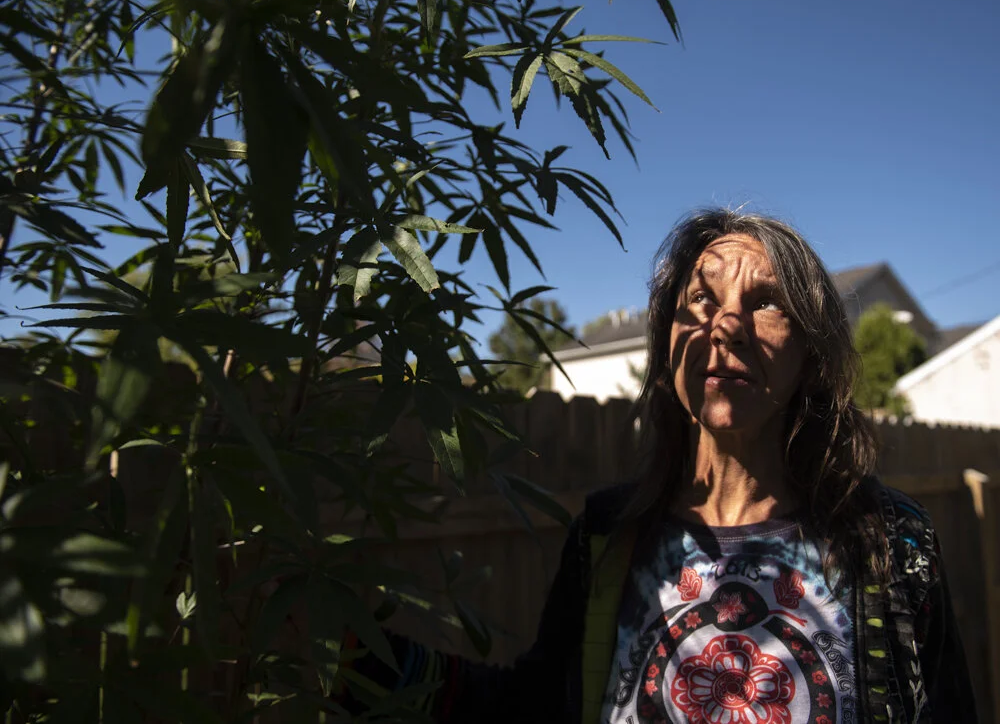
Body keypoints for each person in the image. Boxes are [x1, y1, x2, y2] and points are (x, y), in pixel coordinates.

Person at [341, 208, 976, 723]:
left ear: (810, 353)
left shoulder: (889, 543)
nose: (723, 325)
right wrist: (356, 655)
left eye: (764, 302)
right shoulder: (608, 537)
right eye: (699, 299)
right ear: (668, 342)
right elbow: (529, 707)